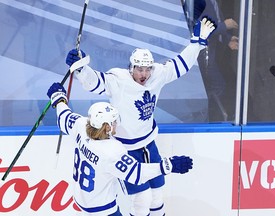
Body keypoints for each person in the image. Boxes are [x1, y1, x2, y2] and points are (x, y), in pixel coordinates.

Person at [65, 17, 216, 216]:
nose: (144, 73)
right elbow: (94, 82)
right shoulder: (118, 80)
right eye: (139, 68)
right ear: (131, 67)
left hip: (148, 144)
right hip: (126, 149)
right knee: (141, 198)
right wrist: (82, 69)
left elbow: (180, 65)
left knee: (156, 196)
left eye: (147, 68)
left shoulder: (157, 75)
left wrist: (197, 44)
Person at [47, 82, 193, 216]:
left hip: (81, 201)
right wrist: (168, 166)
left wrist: (58, 98)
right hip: (103, 209)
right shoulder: (112, 151)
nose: (116, 124)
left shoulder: (81, 126)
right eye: (114, 121)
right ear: (107, 127)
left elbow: (63, 117)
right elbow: (137, 174)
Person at [197, 0, 239, 121]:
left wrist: (227, 39)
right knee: (217, 86)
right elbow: (199, 31)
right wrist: (225, 26)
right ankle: (206, 117)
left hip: (210, 53)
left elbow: (215, 20)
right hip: (202, 56)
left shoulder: (212, 2)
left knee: (216, 85)